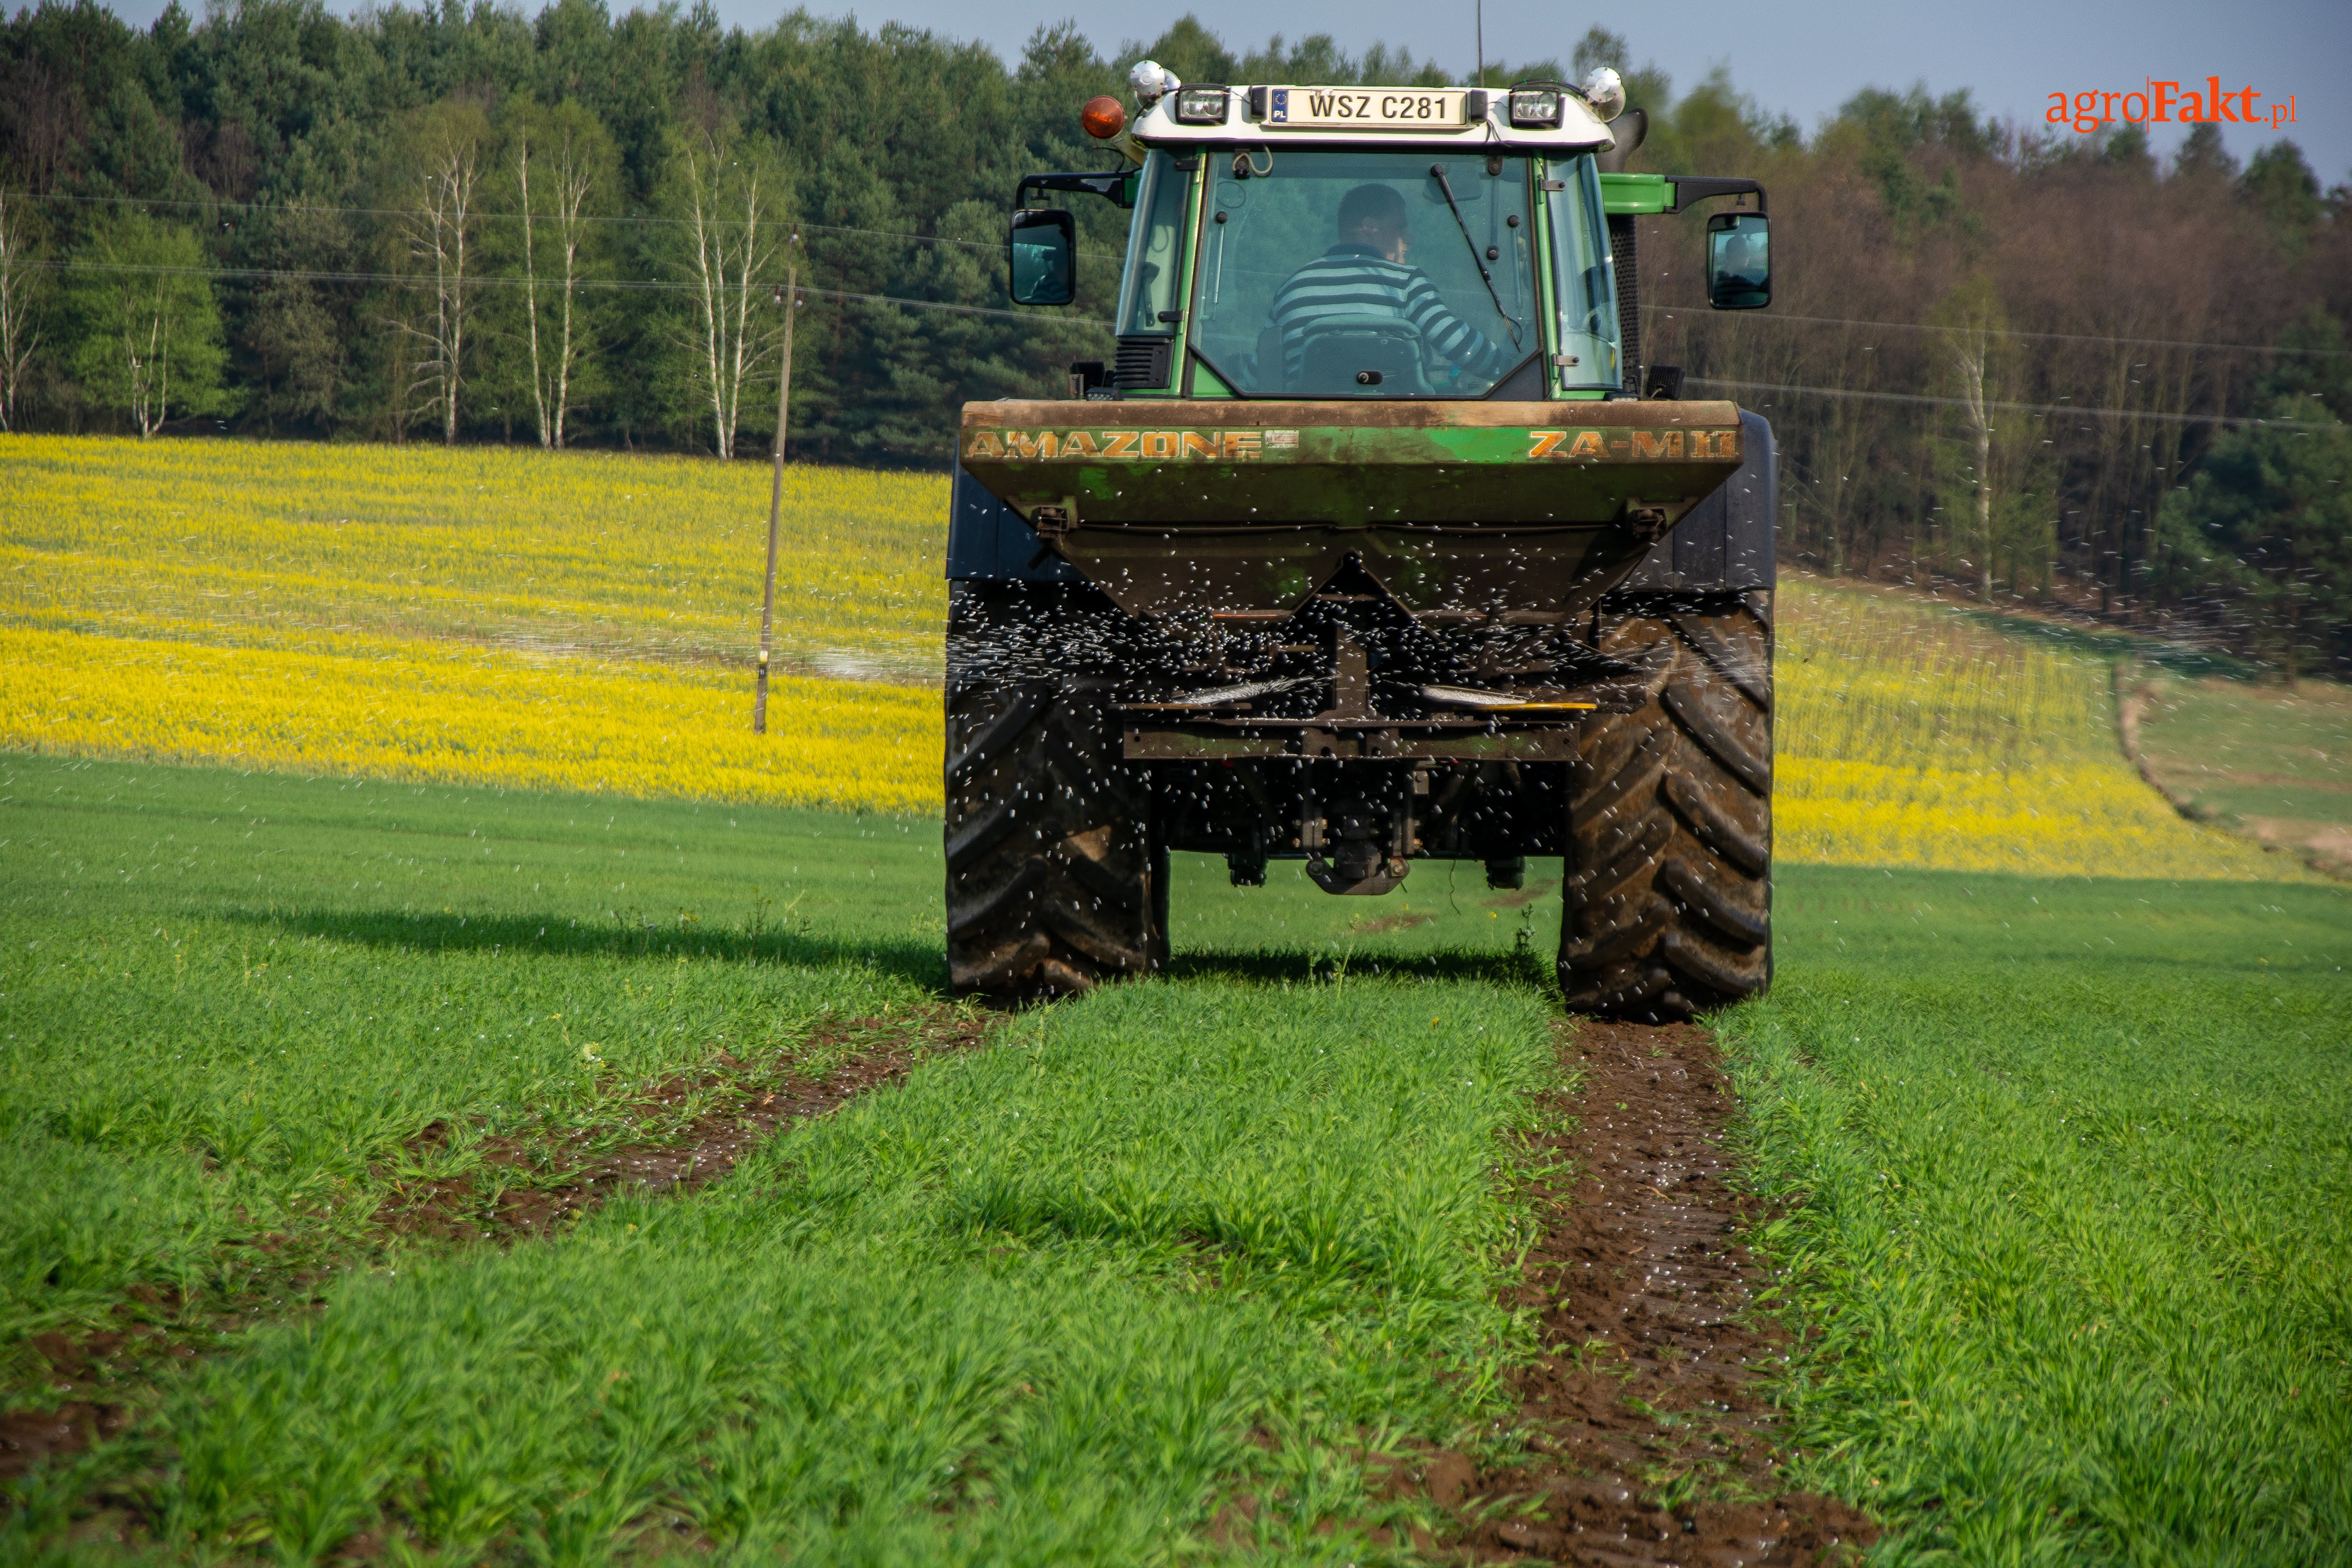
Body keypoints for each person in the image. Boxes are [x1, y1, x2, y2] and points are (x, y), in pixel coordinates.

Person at [1267, 182, 1510, 390]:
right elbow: (1459, 344)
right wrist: (1516, 370)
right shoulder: (1407, 283)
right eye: (1401, 228)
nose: (1409, 239)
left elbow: (1263, 369)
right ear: (1370, 226)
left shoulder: (1292, 289)